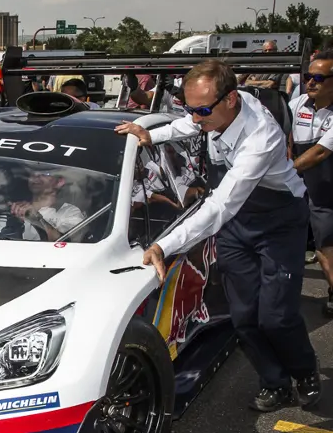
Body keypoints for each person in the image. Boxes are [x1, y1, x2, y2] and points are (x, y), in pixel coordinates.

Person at [116, 58, 321, 411]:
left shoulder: (262, 137)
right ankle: (275, 381)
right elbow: (189, 124)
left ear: (231, 100)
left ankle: (305, 372)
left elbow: (221, 205)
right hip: (238, 225)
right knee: (242, 316)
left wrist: (165, 244)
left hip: (279, 221)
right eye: (191, 108)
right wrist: (151, 134)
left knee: (276, 316)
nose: (196, 119)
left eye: (203, 110)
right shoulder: (215, 108)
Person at [289, 50, 333, 315]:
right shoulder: (298, 103)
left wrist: (286, 169)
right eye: (308, 77)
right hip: (299, 184)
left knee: (326, 244)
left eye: (319, 77)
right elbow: (287, 134)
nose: (311, 82)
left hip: (326, 188)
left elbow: (320, 152)